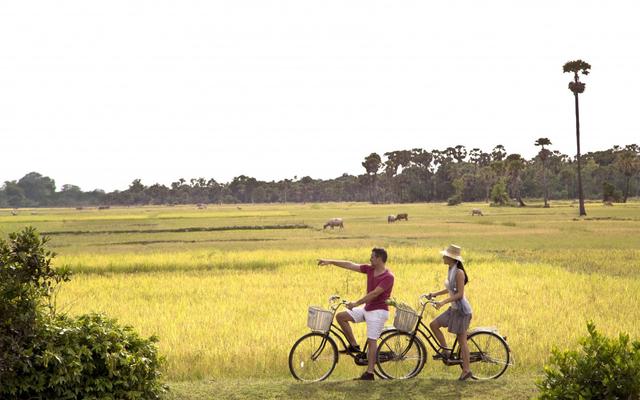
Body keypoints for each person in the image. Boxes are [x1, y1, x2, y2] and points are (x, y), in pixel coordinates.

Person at [317, 247, 394, 381]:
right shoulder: (370, 269)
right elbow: (350, 264)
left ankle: (370, 373)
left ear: (379, 259)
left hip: (378, 312)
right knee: (341, 317)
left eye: (372, 257)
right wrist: (330, 261)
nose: (370, 259)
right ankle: (354, 345)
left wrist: (356, 303)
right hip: (368, 308)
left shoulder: (388, 277)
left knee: (372, 340)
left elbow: (375, 293)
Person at [426, 244, 473, 381]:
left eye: (445, 255)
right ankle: (446, 351)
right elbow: (450, 289)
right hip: (453, 309)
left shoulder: (459, 272)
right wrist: (435, 294)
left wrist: (443, 302)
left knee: (462, 340)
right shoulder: (451, 269)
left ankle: (466, 370)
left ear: (451, 258)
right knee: (434, 324)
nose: (443, 257)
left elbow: (459, 294)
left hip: (461, 311)